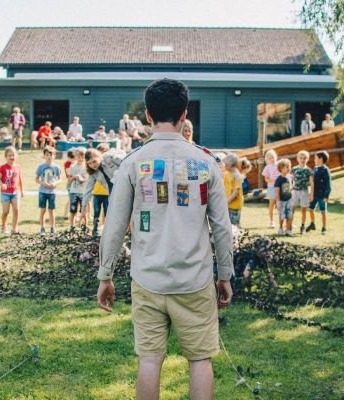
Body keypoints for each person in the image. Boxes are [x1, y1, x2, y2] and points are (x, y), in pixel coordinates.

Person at [97, 78, 233, 400]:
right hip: (195, 280)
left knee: (149, 360)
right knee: (200, 360)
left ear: (147, 115)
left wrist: (105, 275)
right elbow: (222, 228)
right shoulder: (206, 162)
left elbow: (114, 225)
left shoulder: (133, 162)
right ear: (184, 114)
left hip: (147, 279)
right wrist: (225, 275)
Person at [35, 146, 61, 235]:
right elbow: (36, 179)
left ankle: (52, 228)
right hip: (42, 191)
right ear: (44, 156)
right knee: (42, 210)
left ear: (54, 156)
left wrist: (55, 184)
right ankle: (42, 228)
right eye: (47, 155)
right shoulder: (41, 166)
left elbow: (60, 179)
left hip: (52, 192)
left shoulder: (56, 167)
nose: (49, 157)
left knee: (51, 210)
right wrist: (42, 183)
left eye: (51, 155)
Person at [0, 146, 24, 234]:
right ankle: (3, 225)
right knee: (5, 211)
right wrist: (2, 184)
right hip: (5, 193)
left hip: (15, 192)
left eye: (13, 155)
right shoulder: (2, 167)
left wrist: (22, 191)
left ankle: (14, 228)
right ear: (6, 157)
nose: (12, 157)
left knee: (16, 210)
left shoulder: (18, 167)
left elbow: (19, 179)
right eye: (9, 155)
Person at [306, 150, 331, 235]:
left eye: (315, 158)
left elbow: (328, 184)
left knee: (323, 211)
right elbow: (313, 181)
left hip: (322, 195)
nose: (314, 160)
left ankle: (324, 227)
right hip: (314, 194)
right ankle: (312, 223)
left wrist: (326, 196)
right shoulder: (315, 168)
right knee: (310, 209)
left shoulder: (325, 170)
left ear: (320, 159)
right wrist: (311, 192)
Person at [291, 150, 314, 235]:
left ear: (307, 159)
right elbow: (291, 180)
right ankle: (290, 225)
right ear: (297, 159)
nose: (302, 160)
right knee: (292, 208)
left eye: (304, 158)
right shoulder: (294, 169)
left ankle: (302, 226)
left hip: (304, 191)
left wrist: (311, 193)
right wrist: (289, 190)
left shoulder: (308, 170)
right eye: (301, 158)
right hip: (295, 191)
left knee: (303, 210)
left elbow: (311, 183)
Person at [67, 148, 88, 231]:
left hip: (83, 192)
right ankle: (72, 227)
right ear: (75, 156)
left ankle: (84, 228)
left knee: (83, 211)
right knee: (73, 211)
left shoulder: (86, 167)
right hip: (74, 192)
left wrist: (81, 179)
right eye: (78, 156)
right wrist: (74, 177)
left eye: (82, 156)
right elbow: (69, 180)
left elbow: (87, 180)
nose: (80, 158)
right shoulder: (72, 167)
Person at [223, 153, 244, 228]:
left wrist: (227, 201)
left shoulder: (237, 176)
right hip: (228, 203)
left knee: (234, 224)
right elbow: (224, 187)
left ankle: (237, 236)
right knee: (228, 224)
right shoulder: (226, 175)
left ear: (233, 165)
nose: (225, 167)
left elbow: (236, 192)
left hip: (235, 205)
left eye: (227, 165)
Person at [274, 158, 294, 236]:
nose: (288, 169)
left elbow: (291, 187)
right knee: (282, 215)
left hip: (289, 200)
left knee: (289, 214)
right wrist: (278, 201)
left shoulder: (290, 177)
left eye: (289, 167)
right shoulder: (279, 179)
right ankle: (281, 228)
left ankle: (288, 229)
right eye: (286, 167)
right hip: (282, 201)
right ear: (281, 168)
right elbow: (277, 191)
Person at [262, 149, 280, 228]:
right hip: (271, 187)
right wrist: (271, 180)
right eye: (270, 158)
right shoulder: (267, 167)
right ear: (267, 159)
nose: (272, 159)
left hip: (280, 187)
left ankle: (283, 220)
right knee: (272, 205)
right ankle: (271, 221)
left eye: (273, 157)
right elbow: (266, 179)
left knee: (280, 204)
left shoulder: (279, 165)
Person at [63, 149, 77, 219]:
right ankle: (66, 214)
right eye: (71, 158)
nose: (72, 160)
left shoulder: (75, 163)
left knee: (74, 200)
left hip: (76, 184)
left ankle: (71, 215)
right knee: (71, 200)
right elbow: (69, 175)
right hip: (70, 184)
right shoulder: (67, 164)